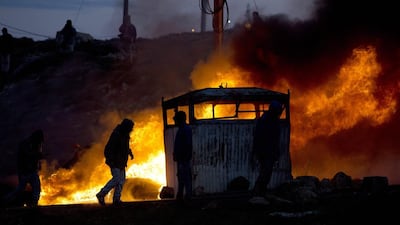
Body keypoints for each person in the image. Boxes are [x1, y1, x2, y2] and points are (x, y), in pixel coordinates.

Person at [250, 100, 283, 204]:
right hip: (265, 151)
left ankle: (260, 192)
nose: (280, 112)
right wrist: (258, 151)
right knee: (265, 172)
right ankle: (258, 193)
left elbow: (275, 139)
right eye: (278, 110)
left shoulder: (272, 120)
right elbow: (260, 137)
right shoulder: (266, 121)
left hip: (269, 151)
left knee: (266, 172)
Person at [96, 118, 134, 206]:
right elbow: (108, 149)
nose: (132, 129)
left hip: (121, 162)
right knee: (116, 179)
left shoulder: (125, 135)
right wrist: (111, 161)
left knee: (121, 181)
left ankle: (116, 199)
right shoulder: (116, 135)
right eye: (130, 127)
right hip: (115, 162)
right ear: (126, 127)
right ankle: (101, 194)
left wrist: (130, 153)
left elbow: (125, 147)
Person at [3, 129, 45, 207]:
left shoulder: (38, 144)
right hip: (24, 172)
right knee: (20, 189)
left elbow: (38, 156)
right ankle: (5, 200)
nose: (40, 142)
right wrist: (38, 155)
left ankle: (34, 205)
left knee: (37, 189)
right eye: (39, 139)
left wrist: (39, 163)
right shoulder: (25, 144)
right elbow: (28, 155)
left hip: (32, 171)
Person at [173, 111, 193, 202]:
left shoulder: (185, 129)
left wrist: (184, 157)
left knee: (185, 178)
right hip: (181, 159)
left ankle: (187, 197)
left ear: (179, 119)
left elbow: (188, 145)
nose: (174, 121)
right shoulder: (182, 129)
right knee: (181, 178)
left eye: (175, 119)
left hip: (183, 159)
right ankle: (180, 196)